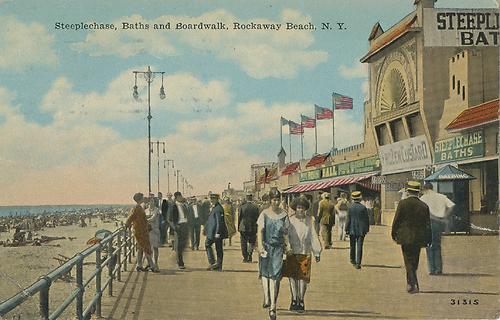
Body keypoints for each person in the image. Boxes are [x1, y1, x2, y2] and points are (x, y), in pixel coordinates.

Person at [283, 196, 321, 312]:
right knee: (293, 278)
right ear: (295, 208)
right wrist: (288, 247)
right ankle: (294, 299)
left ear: (305, 209)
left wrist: (317, 251)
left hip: (305, 252)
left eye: (303, 208)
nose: (300, 210)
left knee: (303, 278)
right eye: (298, 208)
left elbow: (313, 236)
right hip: (292, 252)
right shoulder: (290, 220)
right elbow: (286, 236)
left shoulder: (310, 220)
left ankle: (301, 299)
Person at [391, 181, 431, 294]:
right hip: (418, 238)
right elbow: (428, 224)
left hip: (405, 237)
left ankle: (411, 283)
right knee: (415, 260)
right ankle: (413, 282)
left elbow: (396, 220)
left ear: (408, 192)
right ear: (418, 192)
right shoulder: (424, 206)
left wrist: (393, 233)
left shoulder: (402, 204)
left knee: (408, 260)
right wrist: (429, 239)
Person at [258, 187, 290, 320]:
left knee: (275, 277)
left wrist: (288, 246)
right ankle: (266, 296)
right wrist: (260, 246)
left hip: (278, 249)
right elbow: (259, 231)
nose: (276, 202)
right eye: (274, 200)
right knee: (265, 273)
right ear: (270, 200)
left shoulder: (284, 215)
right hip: (266, 247)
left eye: (278, 200)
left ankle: (273, 306)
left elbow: (286, 233)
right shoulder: (264, 214)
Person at [420, 182, 455, 275]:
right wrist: (445, 216)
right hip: (439, 223)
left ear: (425, 189)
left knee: (429, 246)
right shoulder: (442, 196)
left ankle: (432, 269)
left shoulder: (423, 198)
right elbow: (452, 205)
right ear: (432, 188)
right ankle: (439, 269)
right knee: (437, 245)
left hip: (428, 223)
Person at [125, 193, 157, 272]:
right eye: (142, 197)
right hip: (140, 231)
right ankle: (152, 265)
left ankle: (139, 265)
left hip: (141, 230)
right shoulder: (137, 207)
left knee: (141, 248)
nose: (144, 198)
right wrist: (126, 226)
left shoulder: (139, 207)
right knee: (146, 247)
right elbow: (130, 217)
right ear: (140, 199)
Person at [345, 191, 370, 269]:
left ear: (353, 199)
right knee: (360, 246)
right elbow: (366, 220)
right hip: (361, 229)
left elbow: (348, 219)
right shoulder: (363, 208)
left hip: (352, 229)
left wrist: (346, 229)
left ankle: (352, 260)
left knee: (352, 245)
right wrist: (367, 229)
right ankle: (358, 262)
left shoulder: (350, 208)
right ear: (360, 198)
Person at [205, 192, 228, 271]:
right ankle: (215, 264)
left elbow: (219, 222)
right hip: (212, 232)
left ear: (217, 199)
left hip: (216, 232)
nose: (212, 200)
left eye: (213, 199)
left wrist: (218, 232)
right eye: (211, 198)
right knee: (214, 247)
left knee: (216, 248)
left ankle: (216, 264)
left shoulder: (218, 208)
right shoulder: (214, 207)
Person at [168, 191, 190, 269]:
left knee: (184, 244)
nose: (181, 198)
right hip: (179, 226)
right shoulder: (173, 206)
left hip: (185, 225)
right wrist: (175, 227)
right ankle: (180, 262)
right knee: (179, 245)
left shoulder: (184, 205)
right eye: (180, 197)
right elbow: (169, 219)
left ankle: (178, 258)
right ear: (177, 197)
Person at [238, 193, 260, 263]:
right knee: (251, 242)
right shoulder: (255, 207)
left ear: (246, 198)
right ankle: (249, 255)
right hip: (252, 227)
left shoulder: (242, 207)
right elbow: (257, 218)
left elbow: (239, 218)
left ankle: (245, 257)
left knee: (243, 242)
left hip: (243, 227)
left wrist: (239, 227)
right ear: (252, 198)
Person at [147, 197, 161, 271]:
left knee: (155, 248)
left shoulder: (156, 210)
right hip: (147, 231)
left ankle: (156, 263)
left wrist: (144, 219)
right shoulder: (145, 210)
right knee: (149, 248)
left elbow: (153, 218)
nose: (151, 203)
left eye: (152, 201)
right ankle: (150, 263)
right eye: (150, 201)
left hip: (155, 231)